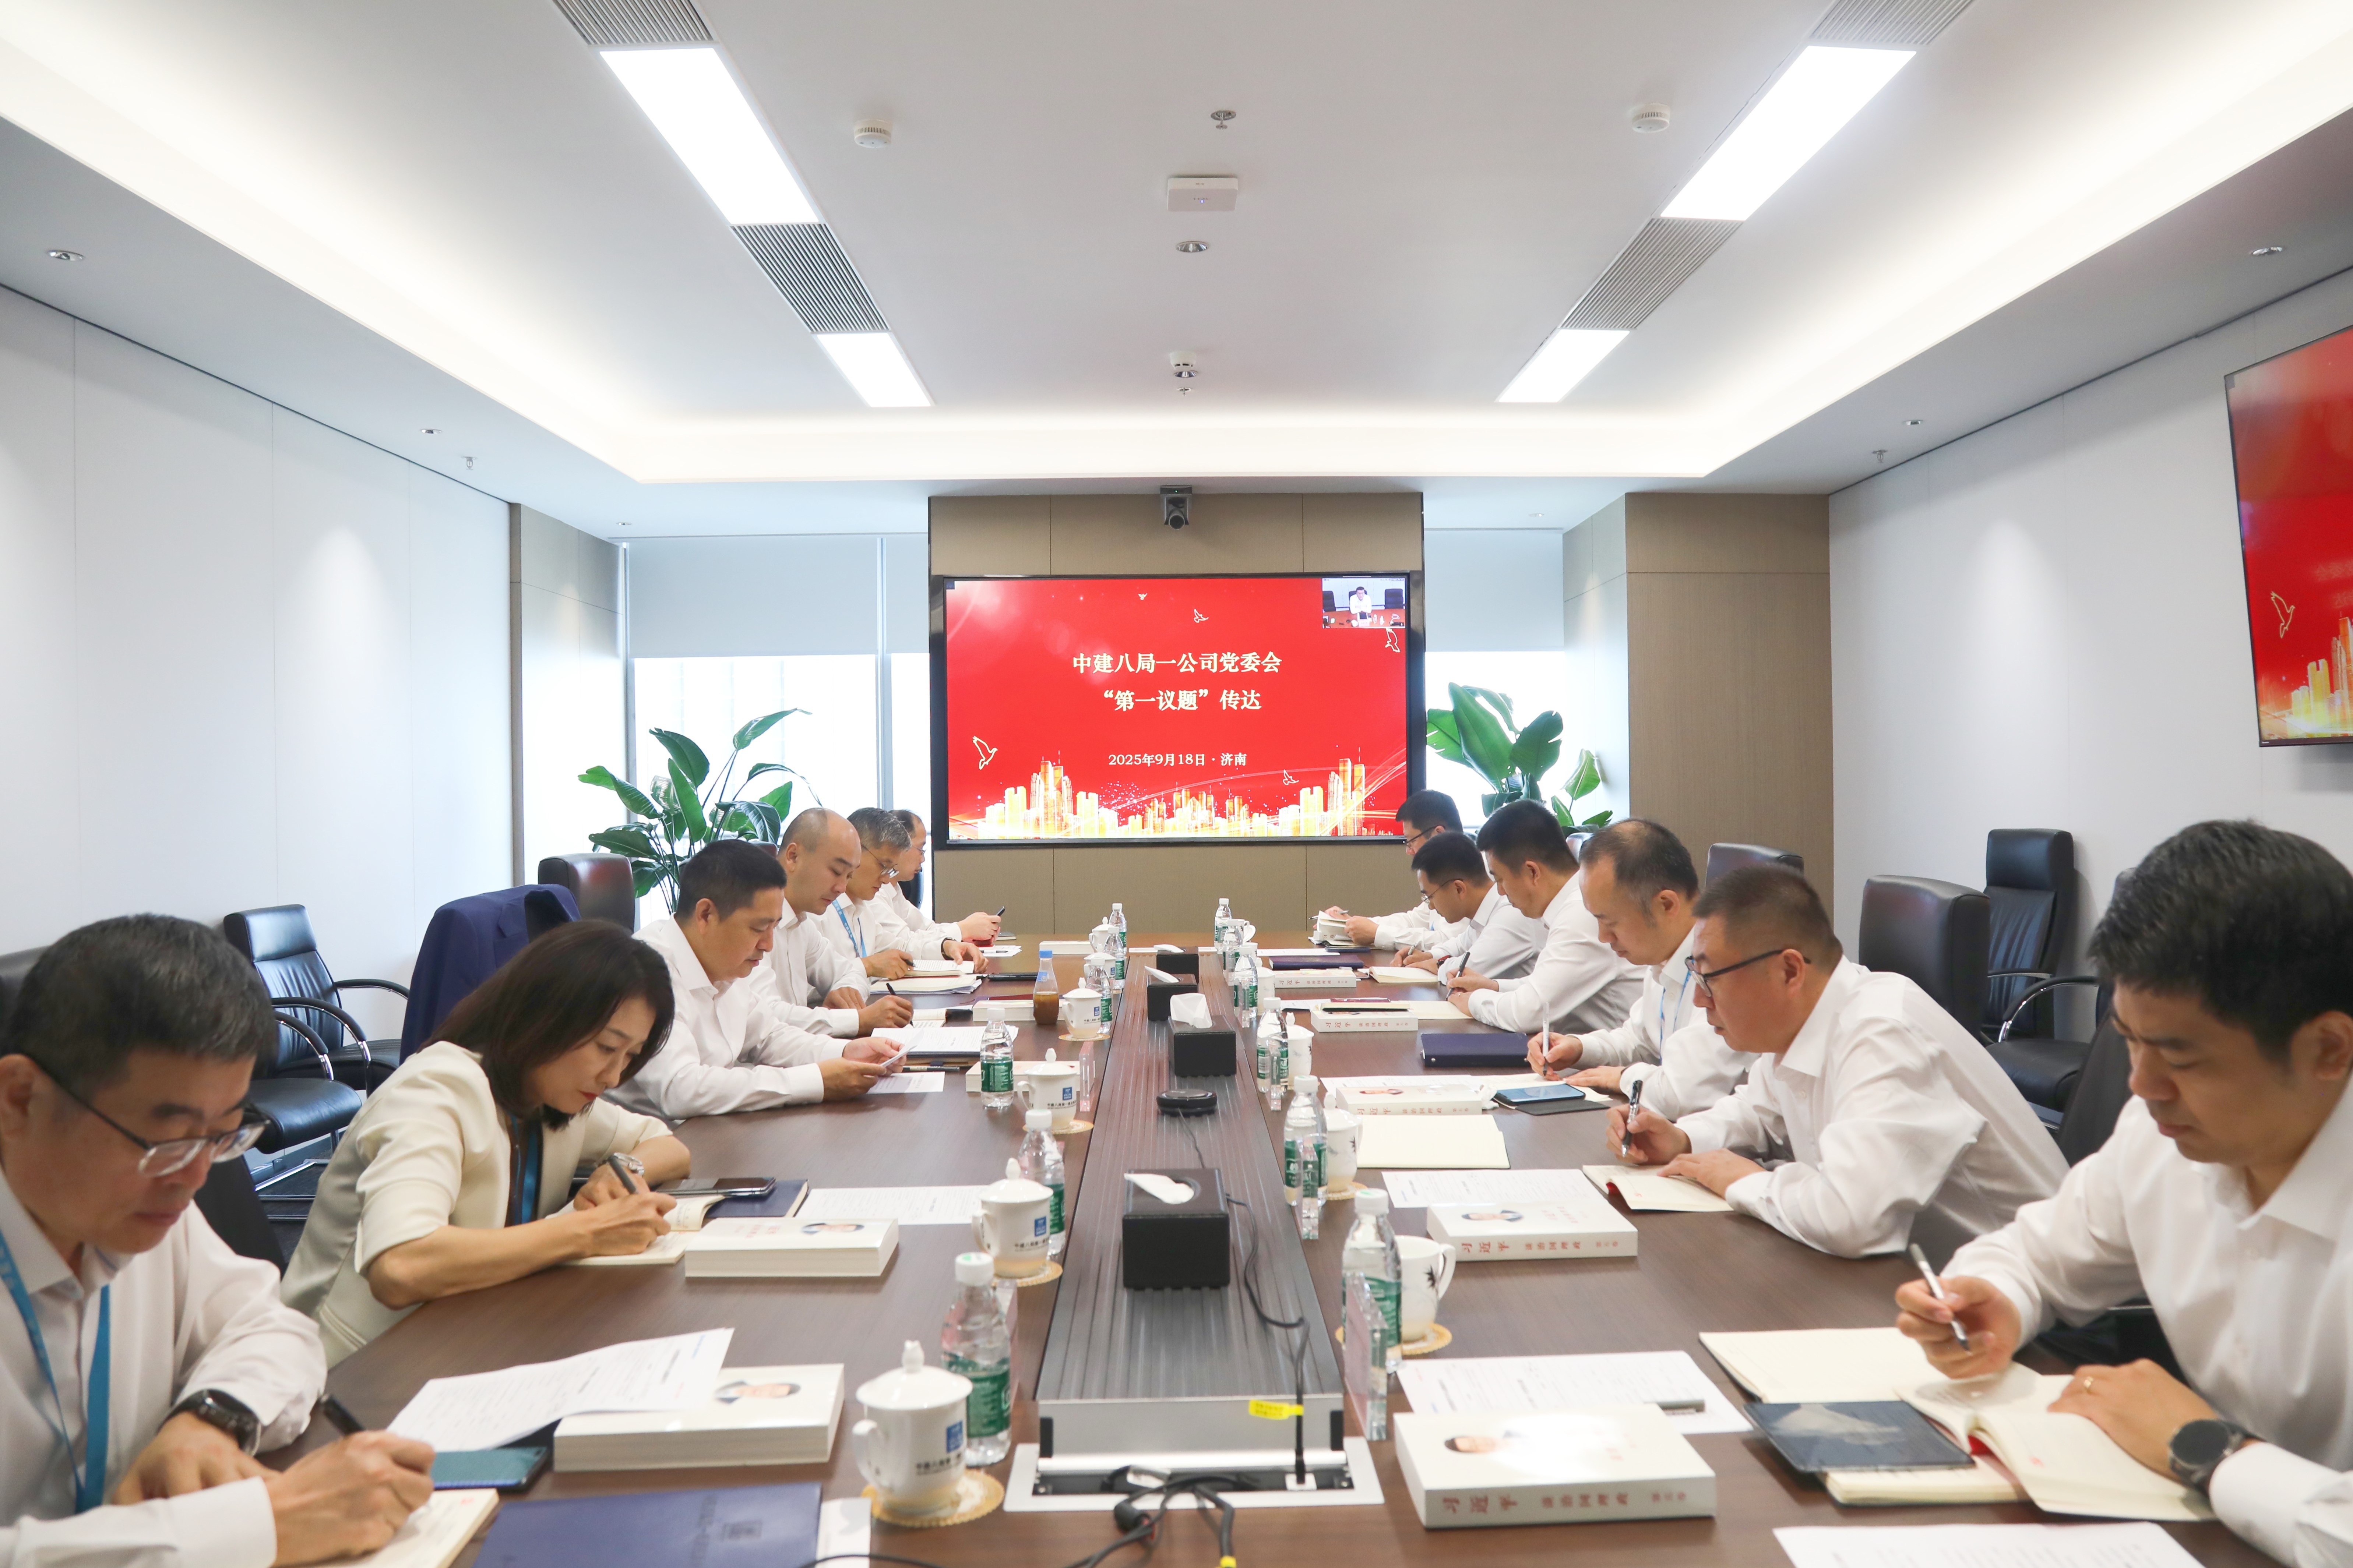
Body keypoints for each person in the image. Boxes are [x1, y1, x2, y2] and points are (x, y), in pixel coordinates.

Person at [1894, 822, 2353, 1567]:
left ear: (2327, 1049)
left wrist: (2205, 1447)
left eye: (2181, 1058)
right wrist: (1998, 1299)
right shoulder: (2161, 1137)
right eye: (2128, 1039)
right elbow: (2036, 1254)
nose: (2141, 1086)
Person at [0, 916, 433, 1568]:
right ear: (19, 1098)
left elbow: (272, 1327)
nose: (196, 1177)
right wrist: (255, 1531)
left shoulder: (145, 1213)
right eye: (168, 1139)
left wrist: (211, 1418)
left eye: (223, 1134)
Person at [282, 922, 694, 1364]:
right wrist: (588, 1232)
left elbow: (668, 1146)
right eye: (607, 1048)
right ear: (545, 1017)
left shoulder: (554, 1092)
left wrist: (622, 1170)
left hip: (473, 1332)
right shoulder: (433, 1093)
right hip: (349, 1367)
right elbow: (400, 1267)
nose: (613, 1077)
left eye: (630, 1057)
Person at [1611, 864, 2063, 1259]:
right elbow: (1758, 1111)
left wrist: (1744, 1180)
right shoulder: (1807, 1019)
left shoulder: (1882, 1032)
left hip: (2027, 1302)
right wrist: (1683, 1138)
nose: (1699, 999)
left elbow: (1852, 1219)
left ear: (1789, 971)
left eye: (1710, 978)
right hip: (1925, 1280)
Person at [616, 841, 898, 1118]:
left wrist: (847, 1051)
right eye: (758, 928)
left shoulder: (724, 963)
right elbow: (682, 1089)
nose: (768, 945)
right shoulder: (647, 970)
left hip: (711, 1129)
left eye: (774, 927)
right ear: (706, 915)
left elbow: (769, 1037)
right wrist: (816, 1081)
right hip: (655, 1140)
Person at [1526, 820, 1749, 1119]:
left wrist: (1622, 1077)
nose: (1603, 937)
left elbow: (1682, 1094)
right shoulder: (1665, 956)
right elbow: (1640, 1040)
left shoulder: (1726, 968)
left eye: (1611, 922)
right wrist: (1578, 1047)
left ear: (1666, 905)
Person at [1449, 801, 1643, 1036]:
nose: (1500, 892)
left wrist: (1473, 1001)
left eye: (1500, 880)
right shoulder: (1572, 902)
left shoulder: (1582, 911)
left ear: (1532, 872)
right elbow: (1545, 985)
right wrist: (1494, 987)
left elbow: (1530, 1012)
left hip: (1620, 1053)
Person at [758, 809, 911, 1038]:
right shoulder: (750, 919)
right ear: (793, 856)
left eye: (849, 876)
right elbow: (766, 1018)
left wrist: (846, 993)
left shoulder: (802, 922)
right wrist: (857, 1020)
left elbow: (849, 971)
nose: (842, 888)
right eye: (836, 872)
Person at [820, 809, 986, 979]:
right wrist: (867, 966)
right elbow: (817, 983)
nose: (886, 879)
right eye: (883, 866)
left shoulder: (862, 911)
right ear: (854, 852)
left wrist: (946, 948)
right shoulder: (819, 912)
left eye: (891, 870)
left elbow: (903, 947)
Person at [1319, 790, 1464, 949]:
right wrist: (1353, 924)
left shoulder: (1467, 872)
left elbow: (1450, 943)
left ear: (1439, 834)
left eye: (1412, 841)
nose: (1409, 851)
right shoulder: (1443, 872)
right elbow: (1414, 921)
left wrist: (1377, 933)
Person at [1397, 831, 1543, 983]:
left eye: (1430, 897)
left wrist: (1438, 964)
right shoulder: (1486, 911)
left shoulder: (1512, 915)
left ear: (1459, 889)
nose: (1431, 907)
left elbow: (1464, 971)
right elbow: (1460, 945)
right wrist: (1429, 956)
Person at [889, 810, 1000, 944]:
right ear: (898, 846)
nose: (923, 859)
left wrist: (967, 933)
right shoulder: (875, 894)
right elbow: (905, 943)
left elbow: (926, 929)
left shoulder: (893, 889)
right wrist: (963, 930)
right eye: (920, 850)